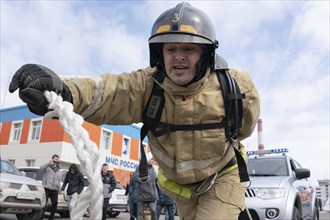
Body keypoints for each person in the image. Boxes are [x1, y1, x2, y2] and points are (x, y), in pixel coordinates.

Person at [8, 2, 260, 219]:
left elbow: (245, 128)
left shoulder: (237, 88)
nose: (178, 57)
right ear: (159, 53)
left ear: (206, 54)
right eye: (171, 49)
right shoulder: (146, 86)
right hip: (181, 190)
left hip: (222, 179)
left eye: (188, 49)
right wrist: (63, 91)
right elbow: (106, 91)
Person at [39, 154, 62, 220]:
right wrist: (49, 163)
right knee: (44, 203)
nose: (56, 161)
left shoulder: (58, 169)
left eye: (57, 159)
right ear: (52, 159)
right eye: (55, 159)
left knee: (55, 203)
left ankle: (51, 217)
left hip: (54, 189)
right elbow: (41, 168)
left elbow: (59, 180)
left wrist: (59, 190)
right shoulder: (47, 167)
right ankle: (41, 216)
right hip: (46, 188)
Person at [137, 153, 158, 220]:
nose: (153, 161)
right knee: (140, 213)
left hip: (152, 195)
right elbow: (134, 178)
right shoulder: (140, 167)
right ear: (148, 159)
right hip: (142, 194)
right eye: (152, 159)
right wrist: (143, 178)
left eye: (154, 159)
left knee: (153, 210)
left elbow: (155, 180)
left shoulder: (153, 169)